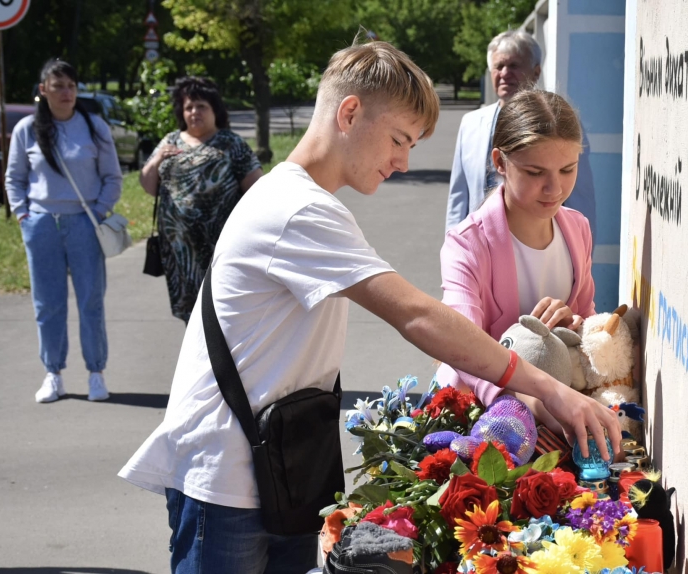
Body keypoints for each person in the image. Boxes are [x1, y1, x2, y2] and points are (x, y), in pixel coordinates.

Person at [119, 41, 620, 574]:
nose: (404, 162)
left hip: (273, 472)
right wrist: (549, 389)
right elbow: (417, 314)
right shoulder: (297, 209)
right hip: (227, 484)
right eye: (399, 139)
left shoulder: (307, 201)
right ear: (350, 113)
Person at [437, 90, 595, 430]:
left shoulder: (578, 228)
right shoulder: (466, 244)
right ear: (499, 162)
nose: (554, 188)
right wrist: (539, 401)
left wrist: (575, 322)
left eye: (568, 169)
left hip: (556, 413)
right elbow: (462, 346)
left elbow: (588, 323)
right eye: (536, 172)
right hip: (479, 418)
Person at [5, 59, 122, 404]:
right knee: (47, 303)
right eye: (58, 86)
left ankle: (96, 373)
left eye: (71, 85)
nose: (66, 92)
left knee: (90, 301)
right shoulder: (27, 128)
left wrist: (97, 212)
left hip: (84, 222)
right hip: (41, 223)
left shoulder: (93, 125)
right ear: (43, 91)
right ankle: (53, 373)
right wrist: (23, 215)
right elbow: (14, 178)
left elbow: (113, 178)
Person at [445, 30, 597, 239]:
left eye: (514, 65)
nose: (505, 73)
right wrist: (452, 244)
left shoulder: (559, 123)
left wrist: (580, 256)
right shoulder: (470, 123)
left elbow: (581, 198)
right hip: (479, 248)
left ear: (536, 72)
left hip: (539, 248)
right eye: (499, 66)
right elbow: (459, 197)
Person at [139, 76, 262, 324]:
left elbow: (257, 190)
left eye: (201, 106)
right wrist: (156, 160)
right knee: (191, 316)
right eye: (189, 107)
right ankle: (200, 362)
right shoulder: (170, 142)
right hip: (179, 253)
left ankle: (222, 362)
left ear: (214, 110)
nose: (194, 112)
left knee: (222, 314)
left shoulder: (231, 143)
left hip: (221, 249)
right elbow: (149, 186)